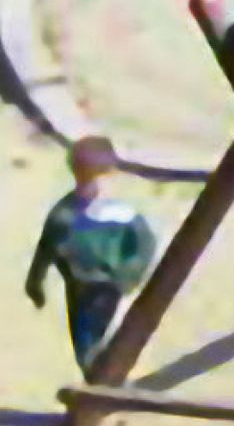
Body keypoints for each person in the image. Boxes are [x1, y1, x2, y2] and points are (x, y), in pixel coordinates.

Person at [26, 135, 153, 376]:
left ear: (112, 175)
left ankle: (105, 387)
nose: (91, 187)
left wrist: (129, 276)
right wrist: (35, 283)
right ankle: (96, 388)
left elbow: (143, 246)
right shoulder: (64, 215)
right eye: (84, 180)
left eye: (97, 180)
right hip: (80, 290)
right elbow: (46, 249)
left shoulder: (122, 214)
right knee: (85, 347)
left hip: (114, 288)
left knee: (115, 340)